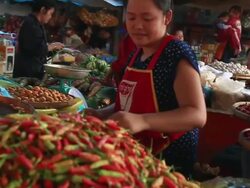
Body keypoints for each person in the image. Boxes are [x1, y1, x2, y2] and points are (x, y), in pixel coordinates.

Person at [87, 0, 206, 176]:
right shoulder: (136, 53)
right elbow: (132, 103)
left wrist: (143, 121)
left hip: (167, 162)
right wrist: (103, 113)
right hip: (136, 156)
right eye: (131, 18)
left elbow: (197, 115)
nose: (137, 26)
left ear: (167, 17)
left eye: (147, 18)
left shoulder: (176, 52)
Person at [13, 0, 64, 79]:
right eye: (50, 13)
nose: (50, 17)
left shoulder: (36, 24)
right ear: (43, 10)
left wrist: (53, 49)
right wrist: (51, 46)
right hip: (27, 72)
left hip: (32, 70)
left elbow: (38, 45)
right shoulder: (31, 24)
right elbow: (35, 49)